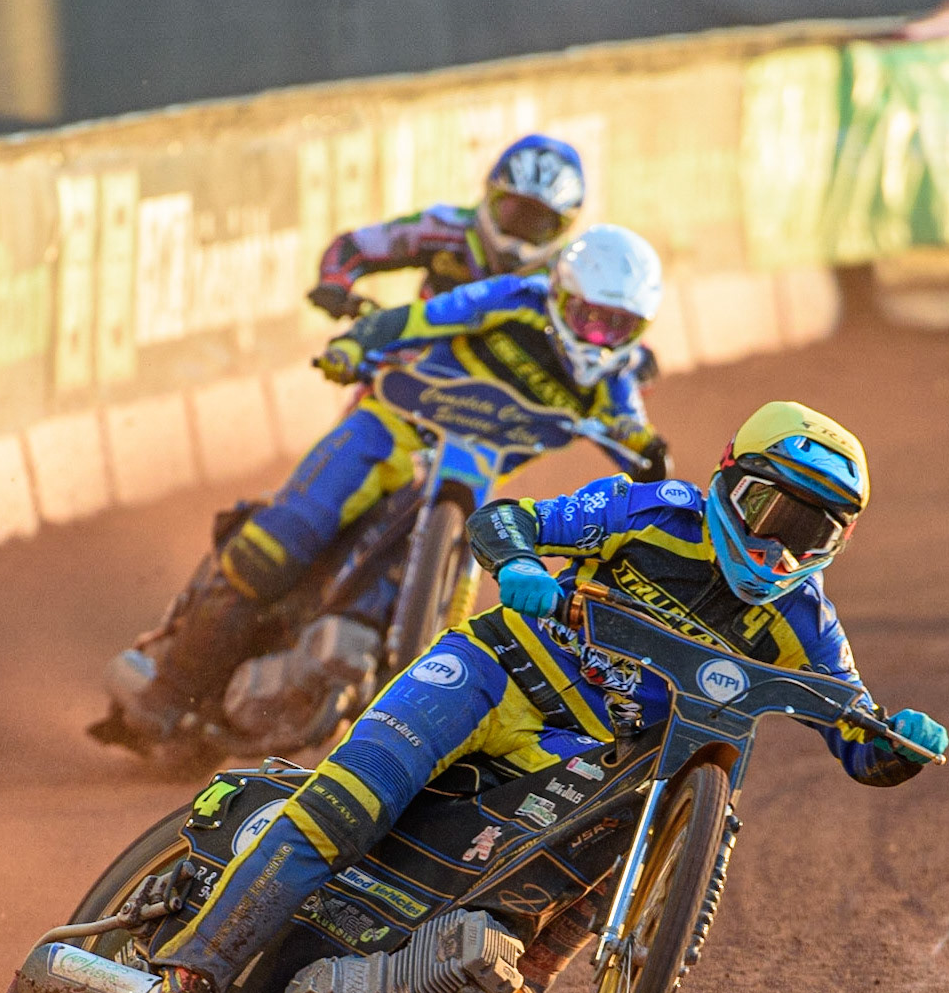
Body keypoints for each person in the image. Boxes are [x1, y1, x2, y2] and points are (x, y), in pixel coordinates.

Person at [145, 400, 948, 993]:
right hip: (496, 675)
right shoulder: (654, 510)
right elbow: (506, 519)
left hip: (588, 756)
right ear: (725, 482)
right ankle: (190, 974)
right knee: (349, 803)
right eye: (767, 513)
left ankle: (509, 979)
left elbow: (860, 739)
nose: (778, 549)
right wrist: (523, 563)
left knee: (648, 805)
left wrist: (898, 739)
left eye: (812, 534)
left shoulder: (808, 624)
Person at [115, 224, 669, 745]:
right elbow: (419, 319)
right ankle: (169, 689)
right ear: (559, 293)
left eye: (618, 326)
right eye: (590, 317)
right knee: (275, 547)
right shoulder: (509, 298)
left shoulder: (615, 376)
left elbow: (632, 429)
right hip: (392, 430)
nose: (601, 337)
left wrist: (646, 452)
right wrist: (356, 343)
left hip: (468, 472)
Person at [307, 133, 586, 320]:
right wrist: (334, 285)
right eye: (516, 211)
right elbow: (354, 245)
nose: (524, 226)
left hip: (513, 398)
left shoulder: (571, 274)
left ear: (563, 228)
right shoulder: (443, 227)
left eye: (541, 221)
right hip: (415, 366)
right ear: (491, 193)